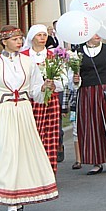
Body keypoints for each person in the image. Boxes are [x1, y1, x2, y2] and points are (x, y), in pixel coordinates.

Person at [0, 25, 58, 211]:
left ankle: (19, 196)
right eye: (14, 38)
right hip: (4, 111)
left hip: (24, 110)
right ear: (4, 41)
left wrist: (44, 87)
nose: (18, 41)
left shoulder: (28, 62)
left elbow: (35, 91)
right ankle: (11, 204)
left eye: (20, 38)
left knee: (23, 153)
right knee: (8, 154)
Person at [20, 24, 72, 174]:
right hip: (31, 101)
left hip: (50, 101)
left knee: (50, 134)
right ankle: (31, 172)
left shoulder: (53, 55)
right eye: (39, 35)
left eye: (44, 35)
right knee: (31, 135)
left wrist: (53, 84)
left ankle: (48, 171)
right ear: (32, 37)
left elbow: (63, 77)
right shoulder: (23, 56)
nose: (42, 38)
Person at [76, 34, 106, 175]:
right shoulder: (77, 52)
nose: (97, 36)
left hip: (104, 91)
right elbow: (74, 77)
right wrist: (75, 80)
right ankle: (96, 161)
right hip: (86, 92)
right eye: (93, 33)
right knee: (90, 126)